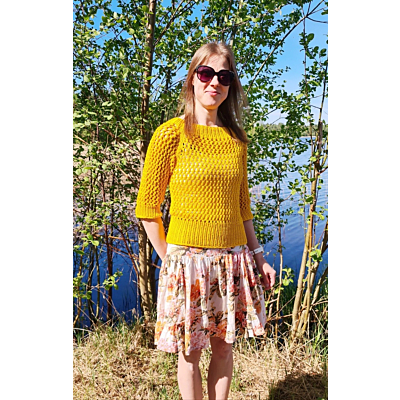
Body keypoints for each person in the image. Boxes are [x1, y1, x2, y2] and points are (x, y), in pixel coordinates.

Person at [135, 42, 276, 400]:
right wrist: (171, 259)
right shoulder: (171, 134)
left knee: (224, 348)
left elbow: (243, 207)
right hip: (188, 263)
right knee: (190, 352)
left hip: (233, 260)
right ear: (193, 79)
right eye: (206, 73)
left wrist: (259, 257)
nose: (215, 82)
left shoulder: (236, 141)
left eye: (224, 76)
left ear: (231, 85)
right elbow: (147, 207)